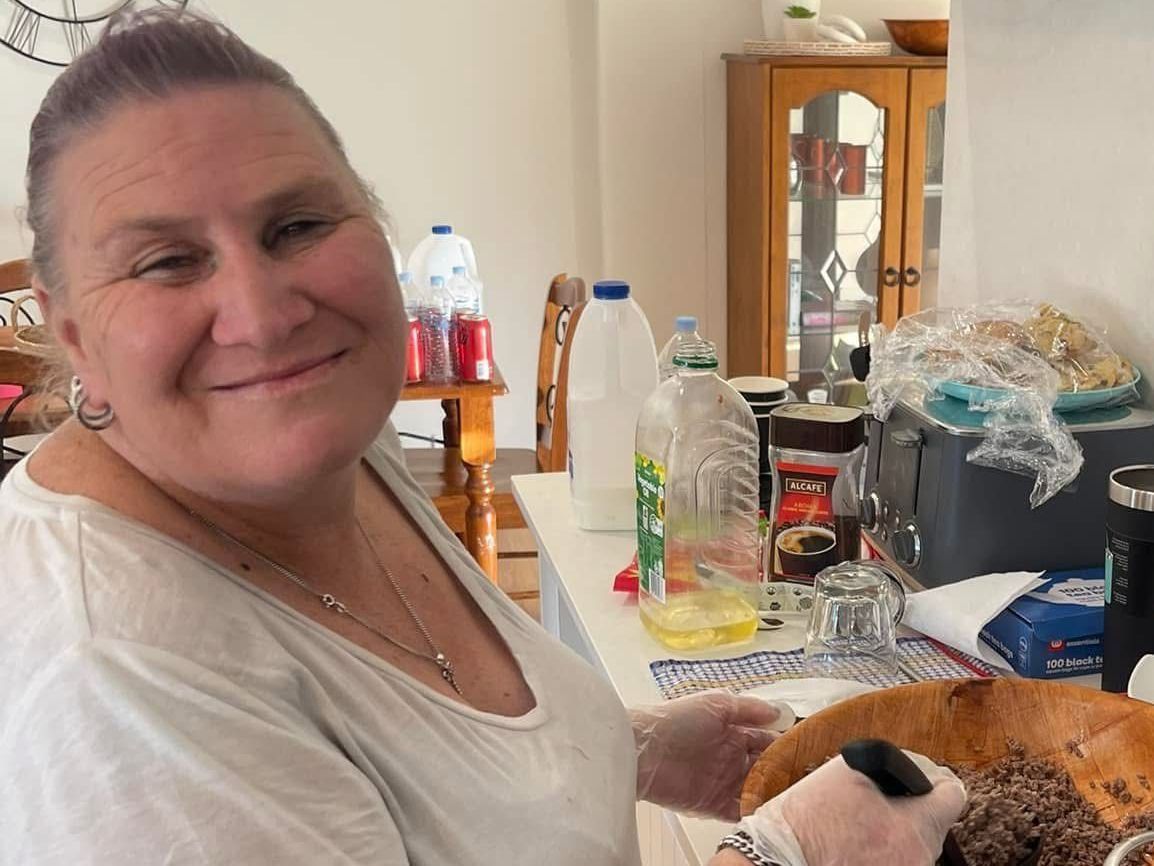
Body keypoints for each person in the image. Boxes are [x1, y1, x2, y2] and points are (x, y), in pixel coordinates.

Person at [0, 9, 965, 865]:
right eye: (167, 262)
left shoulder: (325, 449)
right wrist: (782, 857)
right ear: (70, 325)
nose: (260, 312)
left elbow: (417, 757)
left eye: (296, 225)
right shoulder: (116, 689)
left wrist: (621, 749)